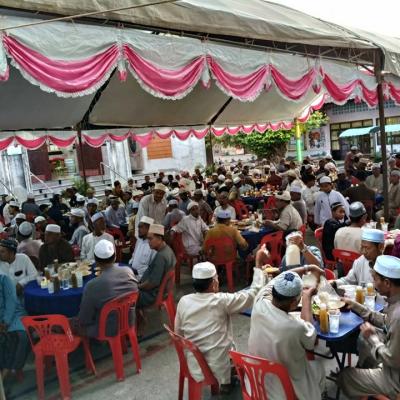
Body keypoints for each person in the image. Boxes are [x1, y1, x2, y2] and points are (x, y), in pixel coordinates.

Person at [175, 259, 265, 392]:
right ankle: (227, 383)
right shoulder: (221, 301)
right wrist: (258, 266)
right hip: (219, 368)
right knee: (241, 358)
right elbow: (253, 294)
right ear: (214, 282)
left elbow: (178, 334)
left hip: (195, 365)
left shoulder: (184, 301)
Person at [248, 270, 325, 400]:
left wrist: (306, 267)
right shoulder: (295, 327)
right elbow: (312, 341)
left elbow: (279, 278)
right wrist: (306, 298)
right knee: (318, 368)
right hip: (284, 390)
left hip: (256, 382)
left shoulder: (259, 302)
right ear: (294, 303)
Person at [337, 255, 400, 399]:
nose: (373, 283)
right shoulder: (395, 303)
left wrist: (373, 338)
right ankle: (368, 375)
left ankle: (378, 391)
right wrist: (356, 307)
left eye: (375, 279)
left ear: (387, 283)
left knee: (345, 376)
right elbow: (386, 321)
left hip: (395, 378)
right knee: (364, 340)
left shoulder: (398, 315)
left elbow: (392, 359)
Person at [77, 240, 138, 337]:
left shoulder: (92, 286)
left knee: (71, 325)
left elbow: (85, 319)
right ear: (115, 257)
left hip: (106, 329)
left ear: (96, 261)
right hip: (130, 321)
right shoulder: (128, 271)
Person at [137, 224, 176, 308]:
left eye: (150, 239)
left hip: (151, 295)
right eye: (148, 239)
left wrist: (138, 287)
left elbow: (152, 283)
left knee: (125, 296)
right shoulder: (167, 249)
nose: (148, 242)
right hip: (156, 291)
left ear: (160, 238)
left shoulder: (161, 256)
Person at [0, 274, 29, 377]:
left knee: (21, 336)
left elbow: (11, 302)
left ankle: (7, 372)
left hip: (14, 315)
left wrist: (5, 322)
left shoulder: (4, 280)